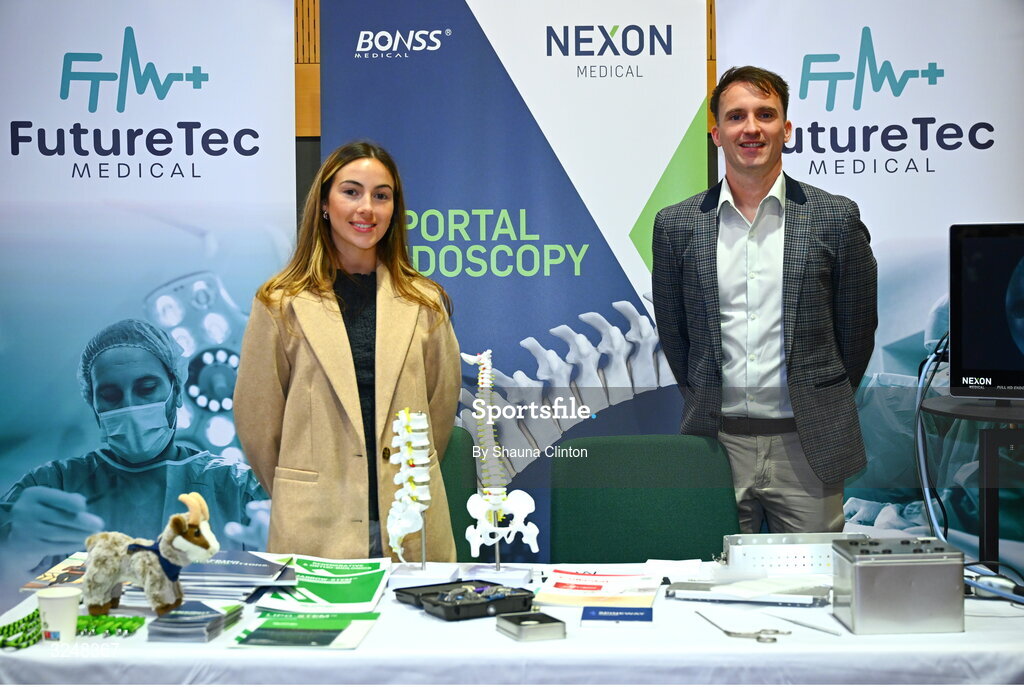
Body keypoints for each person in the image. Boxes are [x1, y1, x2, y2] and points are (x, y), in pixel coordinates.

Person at [652, 66, 877, 534]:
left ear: (786, 129)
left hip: (808, 446)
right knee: (711, 587)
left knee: (814, 592)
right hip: (716, 445)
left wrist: (818, 403)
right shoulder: (676, 226)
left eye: (765, 114)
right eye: (736, 117)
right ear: (716, 132)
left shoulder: (835, 218)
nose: (751, 128)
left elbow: (856, 336)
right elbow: (676, 337)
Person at [234, 140, 461, 561]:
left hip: (410, 521)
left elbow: (439, 411)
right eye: (351, 191)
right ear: (324, 203)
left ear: (394, 209)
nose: (367, 209)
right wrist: (307, 484)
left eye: (381, 195)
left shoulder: (425, 303)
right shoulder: (279, 303)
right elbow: (258, 423)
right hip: (315, 526)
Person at [0, 319, 269, 582]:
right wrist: (11, 551)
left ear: (176, 393)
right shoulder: (53, 484)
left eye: (146, 388)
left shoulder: (236, 488)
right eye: (110, 394)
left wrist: (284, 546)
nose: (129, 405)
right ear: (93, 404)